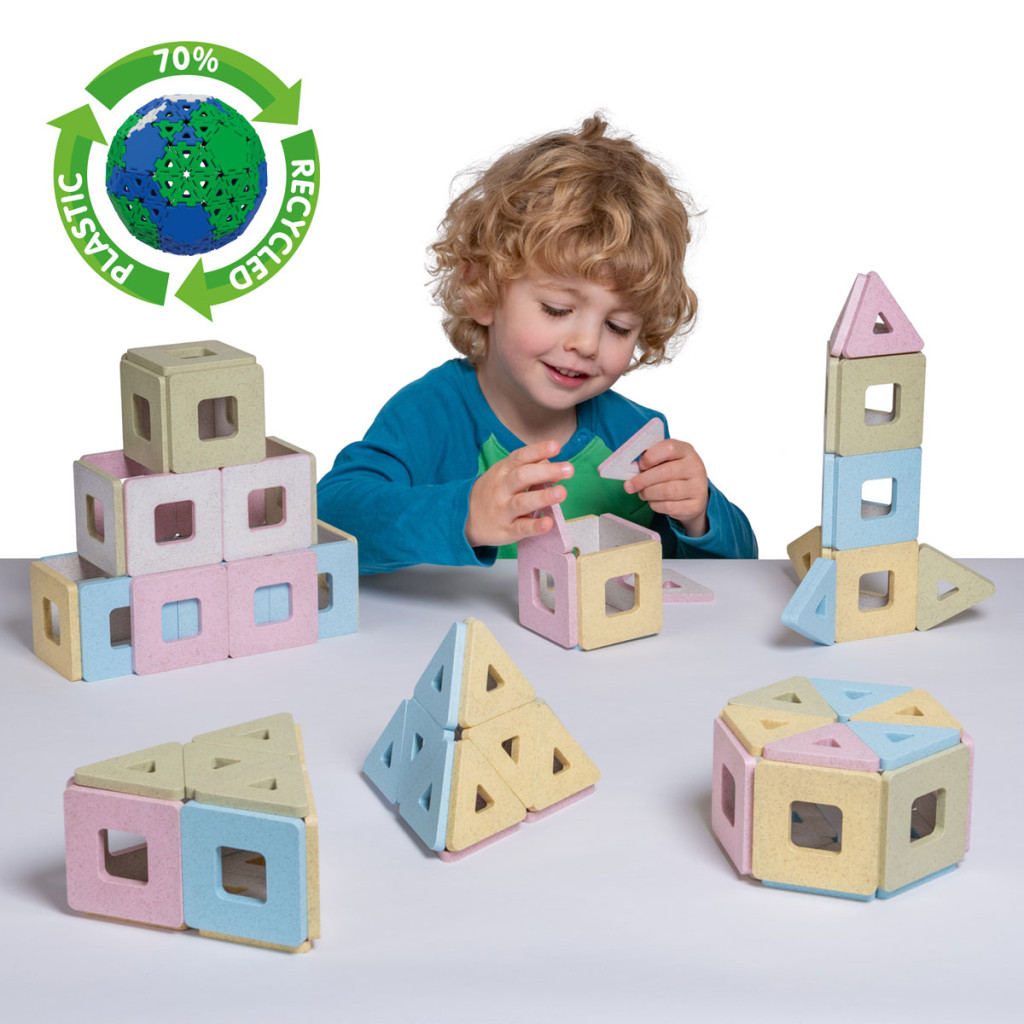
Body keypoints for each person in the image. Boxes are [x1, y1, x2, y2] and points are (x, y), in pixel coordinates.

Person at [318, 116, 757, 573]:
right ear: (481, 290)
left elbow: (741, 572)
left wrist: (699, 515)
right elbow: (330, 517)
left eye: (619, 326)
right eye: (556, 309)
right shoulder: (430, 414)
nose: (586, 343)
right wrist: (464, 514)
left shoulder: (633, 435)